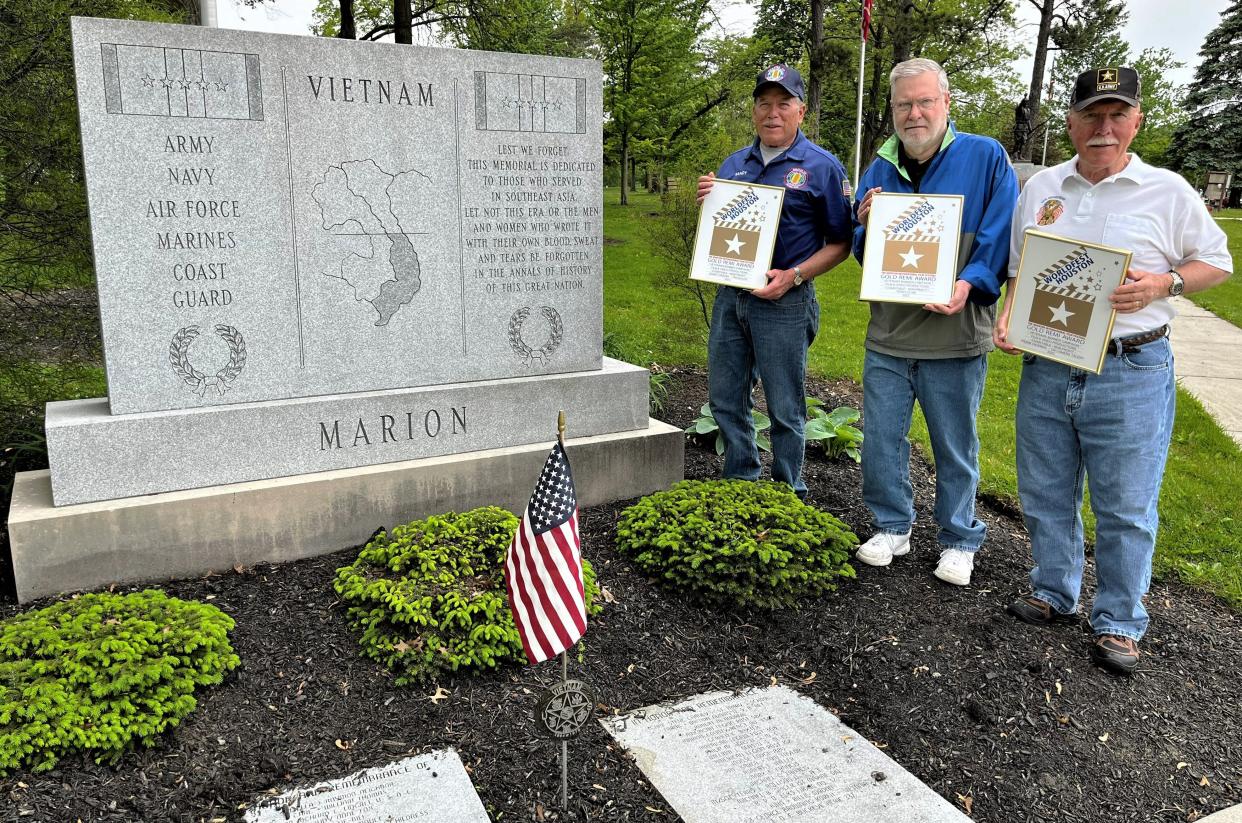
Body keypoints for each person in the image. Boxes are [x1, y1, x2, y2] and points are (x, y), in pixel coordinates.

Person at [994, 67, 1231, 676]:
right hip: (1050, 363)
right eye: (1091, 116)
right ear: (1071, 122)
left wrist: (1164, 283)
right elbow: (1023, 268)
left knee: (1125, 503)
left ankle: (1120, 621)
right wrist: (1012, 316)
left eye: (1116, 115)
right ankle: (1053, 591)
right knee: (1046, 491)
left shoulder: (1168, 190)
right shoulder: (1044, 186)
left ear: (1136, 122)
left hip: (1131, 369)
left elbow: (1216, 263)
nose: (1103, 128)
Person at [851, 57, 1018, 586]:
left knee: (954, 444)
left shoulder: (985, 156)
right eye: (904, 104)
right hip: (890, 335)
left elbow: (999, 236)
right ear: (893, 110)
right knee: (880, 439)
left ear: (947, 103)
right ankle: (891, 525)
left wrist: (966, 285)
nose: (914, 113)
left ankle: (959, 537)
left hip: (957, 334)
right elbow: (865, 255)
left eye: (925, 101)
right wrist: (864, 226)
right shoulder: (878, 168)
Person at [695, 65, 853, 498]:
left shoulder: (821, 168)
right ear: (754, 111)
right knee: (726, 398)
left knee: (786, 407)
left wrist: (795, 275)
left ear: (800, 110)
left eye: (783, 103)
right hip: (733, 297)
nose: (773, 113)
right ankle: (742, 482)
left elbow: (841, 242)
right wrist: (711, 204)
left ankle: (788, 493)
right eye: (764, 103)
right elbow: (724, 230)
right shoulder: (733, 165)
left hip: (785, 302)